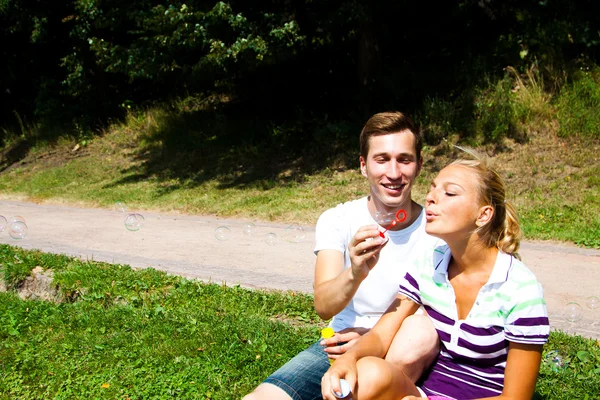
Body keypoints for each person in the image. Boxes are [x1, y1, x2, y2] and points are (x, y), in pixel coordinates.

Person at [243, 111, 440, 400]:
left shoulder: (437, 229)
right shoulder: (338, 219)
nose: (394, 173)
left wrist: (373, 339)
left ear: (419, 165)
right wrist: (355, 272)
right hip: (340, 346)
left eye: (404, 159)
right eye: (382, 159)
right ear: (363, 165)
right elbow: (324, 305)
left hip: (408, 348)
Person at [321, 154, 550, 400]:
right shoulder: (429, 263)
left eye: (449, 193)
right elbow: (381, 334)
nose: (430, 198)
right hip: (422, 395)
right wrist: (349, 359)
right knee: (366, 372)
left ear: (483, 215)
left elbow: (516, 398)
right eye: (432, 189)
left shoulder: (521, 290)